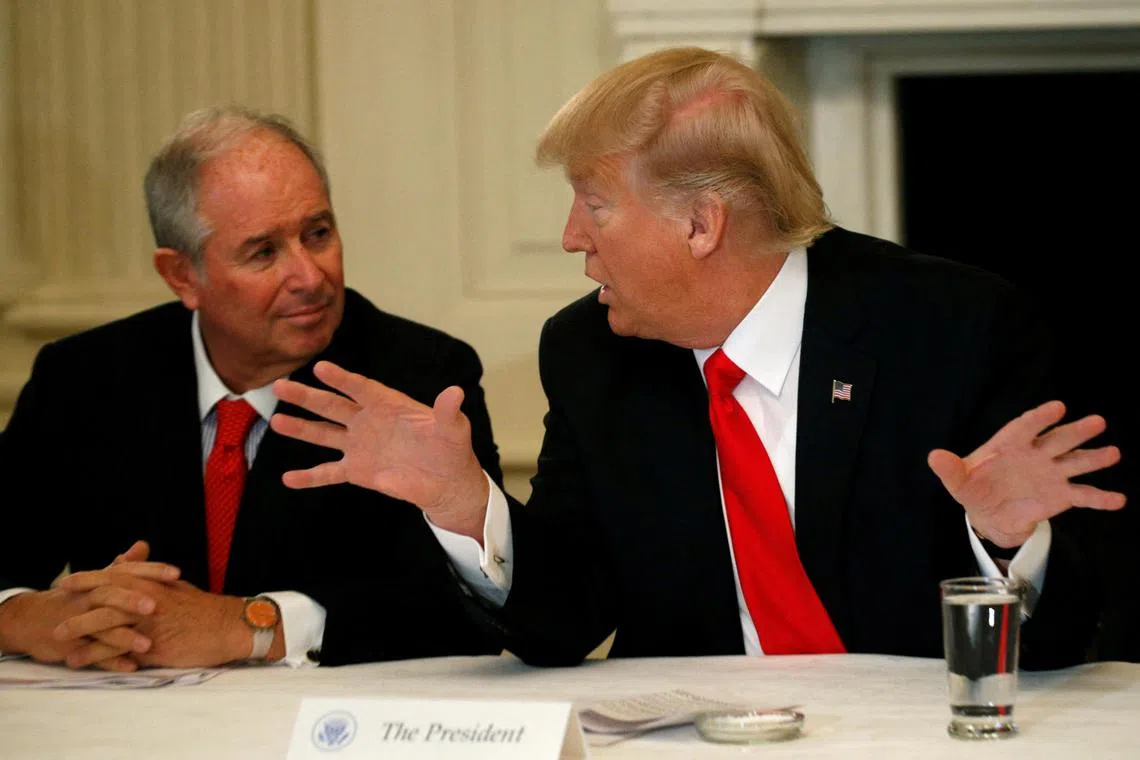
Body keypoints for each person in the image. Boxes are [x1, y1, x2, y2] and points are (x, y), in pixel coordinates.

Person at [269, 48, 1126, 668]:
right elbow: (565, 621)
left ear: (700, 224)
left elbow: (1064, 642)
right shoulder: (590, 350)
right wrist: (464, 502)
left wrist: (1009, 544)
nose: (571, 239)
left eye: (594, 204)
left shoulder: (951, 326)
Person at [0, 106, 504, 671]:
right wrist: (27, 617)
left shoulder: (419, 376)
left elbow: (469, 613)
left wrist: (252, 625)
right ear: (182, 275)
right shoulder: (83, 378)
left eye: (318, 234)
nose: (310, 277)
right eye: (264, 252)